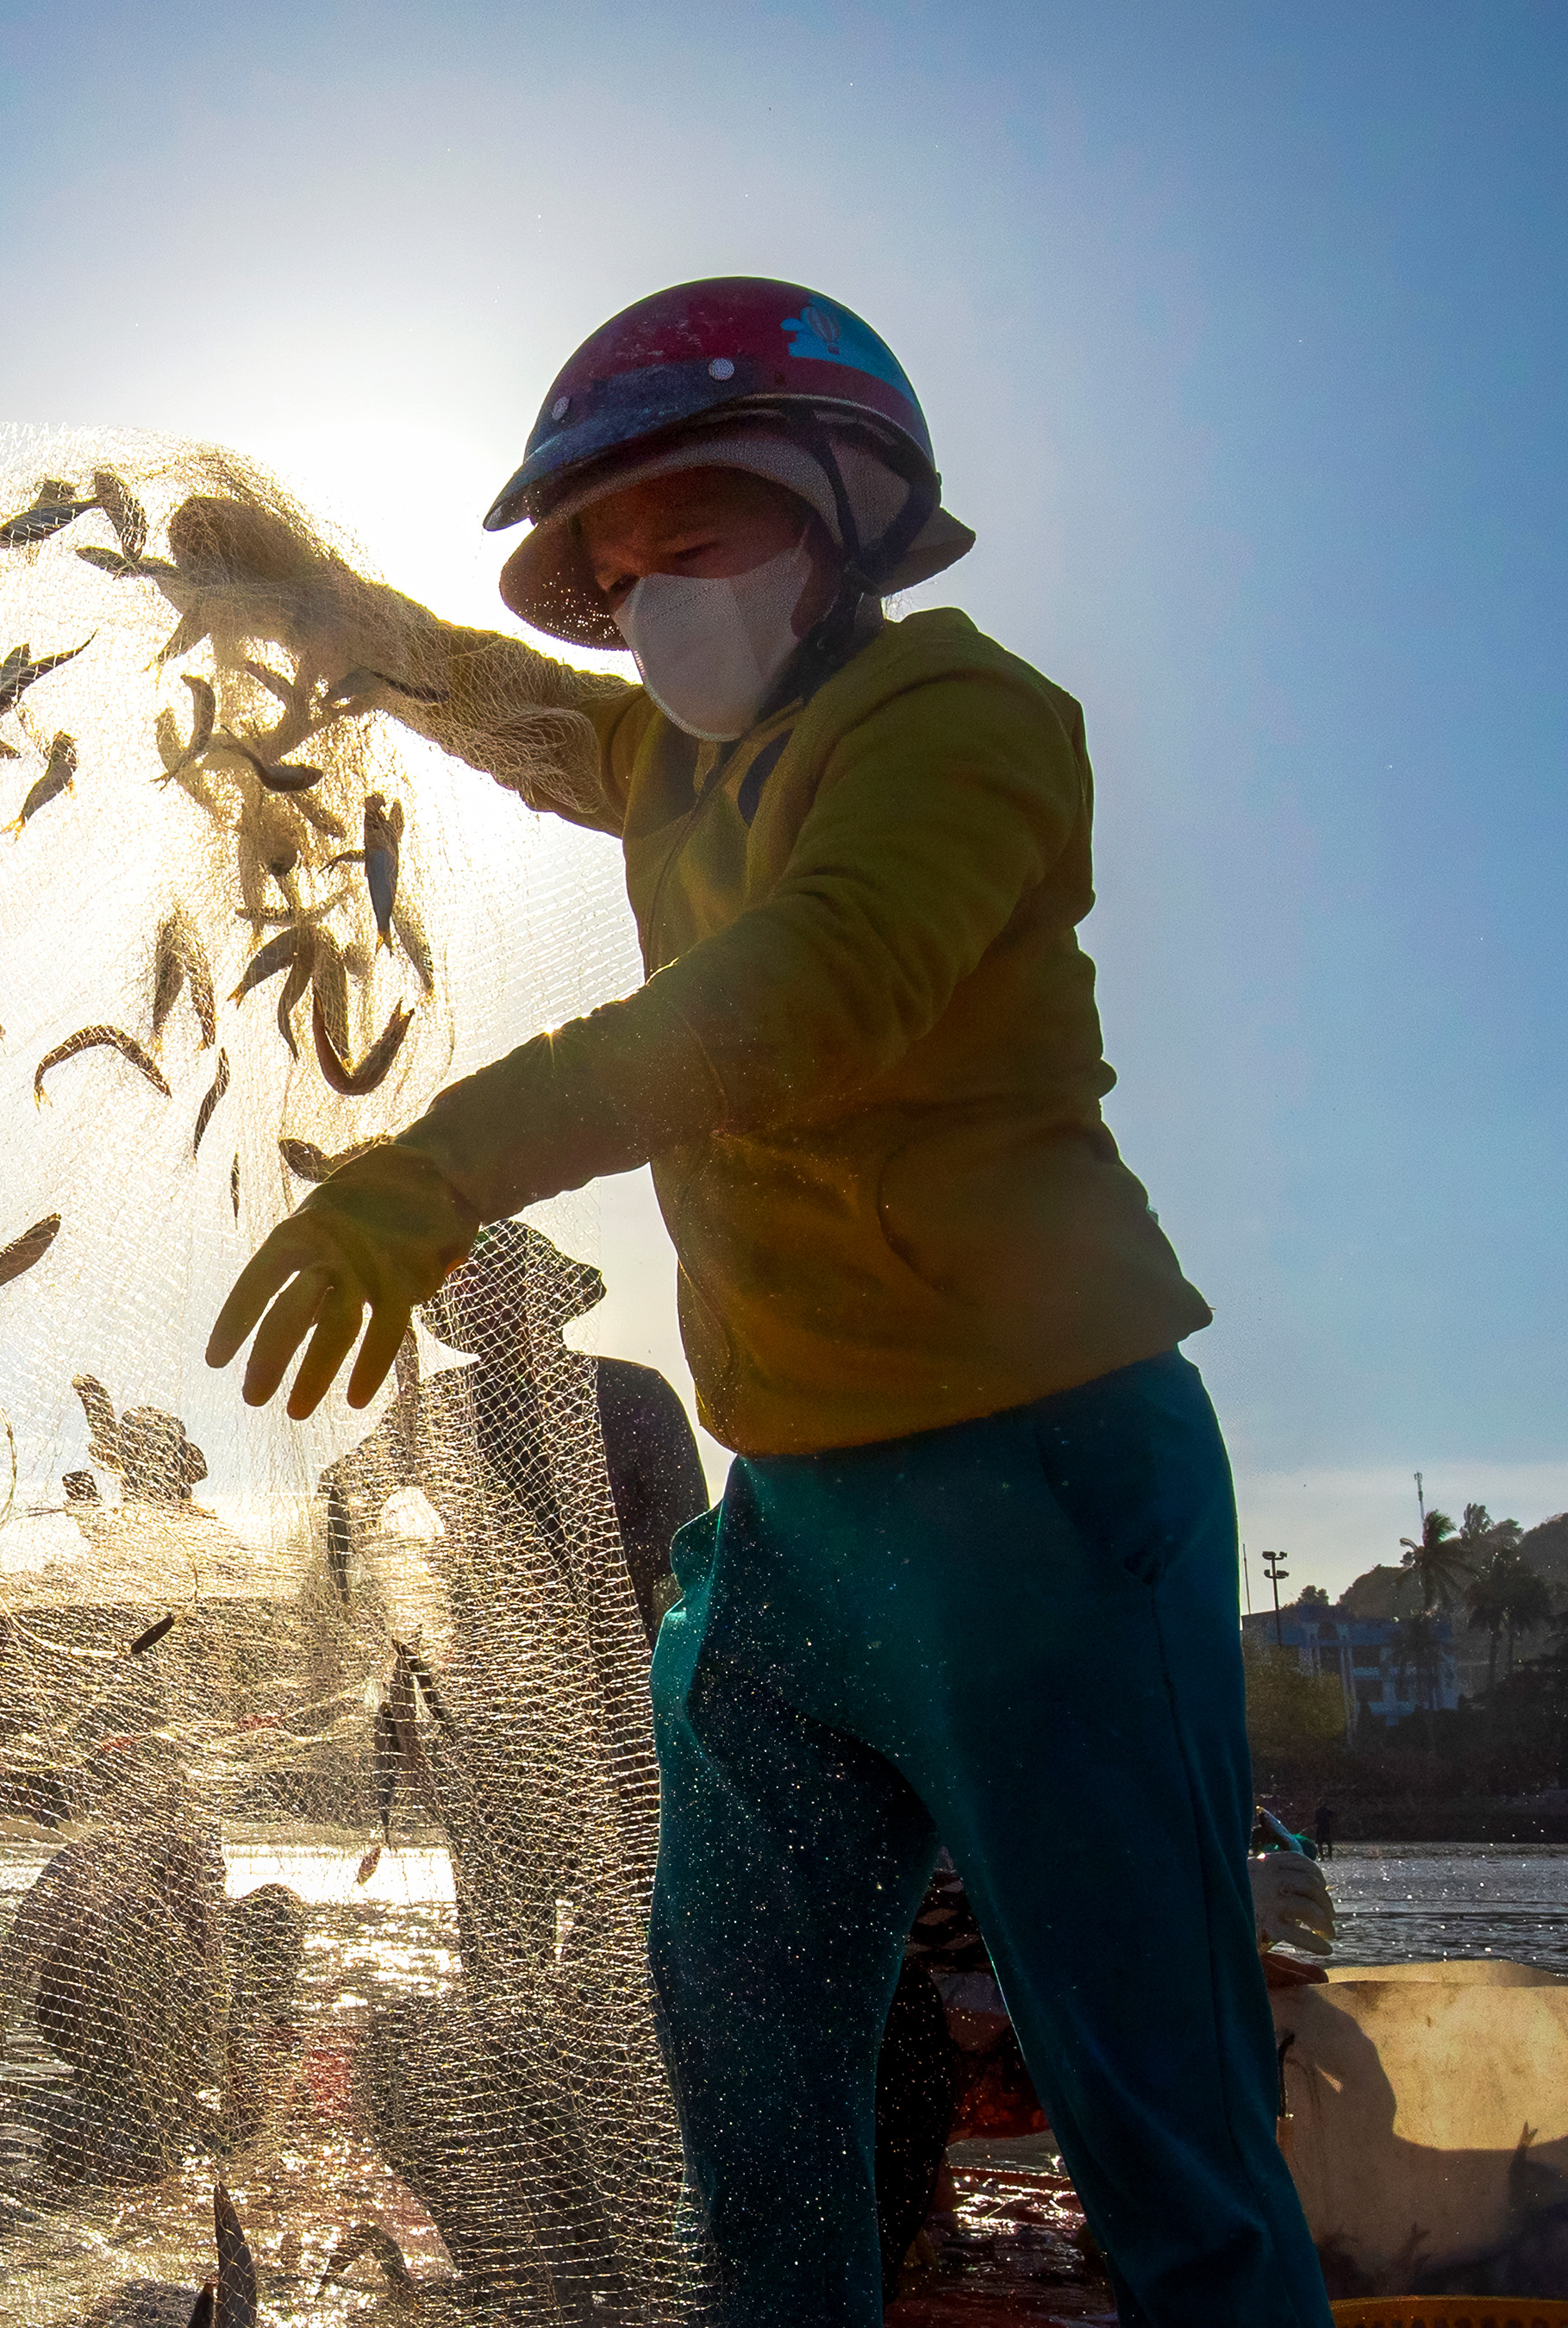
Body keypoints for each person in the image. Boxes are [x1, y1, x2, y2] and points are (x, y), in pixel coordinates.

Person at [189, 278, 1330, 2325]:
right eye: (613, 573)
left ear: (845, 513)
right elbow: (483, 691)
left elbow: (803, 1000)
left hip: (1045, 1491)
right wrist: (302, 604)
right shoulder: (663, 760)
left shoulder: (965, 722)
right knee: (746, 2101)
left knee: (1165, 2132)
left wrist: (429, 1171)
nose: (650, 600)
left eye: (693, 536)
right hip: (790, 1532)